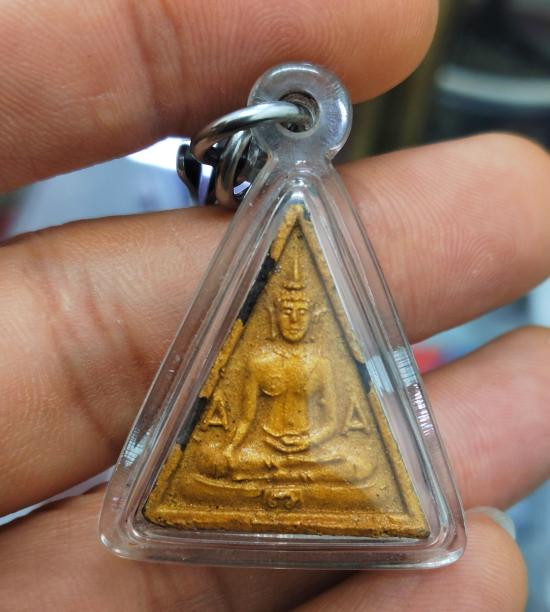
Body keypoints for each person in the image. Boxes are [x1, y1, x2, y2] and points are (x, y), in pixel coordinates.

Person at [0, 1, 548, 609]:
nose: (290, 317)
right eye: (283, 310)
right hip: (252, 462)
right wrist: (241, 451)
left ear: (310, 315)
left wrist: (313, 453)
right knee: (211, 467)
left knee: (362, 470)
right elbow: (232, 429)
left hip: (318, 464)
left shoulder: (318, 357)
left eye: (298, 312)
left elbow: (341, 426)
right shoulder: (257, 357)